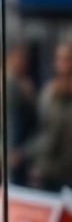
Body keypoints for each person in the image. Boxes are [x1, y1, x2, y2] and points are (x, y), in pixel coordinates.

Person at [32, 42, 72, 192]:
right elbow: (44, 133)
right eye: (60, 59)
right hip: (50, 172)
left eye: (68, 59)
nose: (64, 64)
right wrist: (38, 164)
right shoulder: (48, 94)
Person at [6, 44, 37, 186]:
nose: (21, 63)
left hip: (24, 150)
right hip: (12, 148)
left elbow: (35, 123)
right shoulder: (9, 83)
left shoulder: (27, 86)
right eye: (18, 58)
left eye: (23, 60)